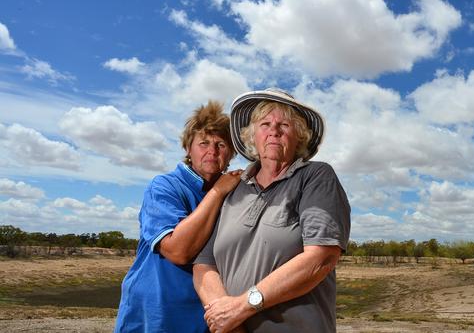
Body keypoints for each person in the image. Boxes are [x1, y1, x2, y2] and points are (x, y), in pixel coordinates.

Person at [193, 89, 351, 333]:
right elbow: (204, 264)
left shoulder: (316, 177)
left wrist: (242, 307)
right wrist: (227, 318)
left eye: (284, 125)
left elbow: (321, 258)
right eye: (265, 124)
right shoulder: (233, 187)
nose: (274, 131)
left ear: (300, 136)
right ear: (251, 136)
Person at [115, 101, 242, 333]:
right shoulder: (164, 186)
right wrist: (218, 191)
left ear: (231, 153)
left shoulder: (235, 193)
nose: (212, 152)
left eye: (221, 144)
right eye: (203, 143)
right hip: (157, 313)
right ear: (188, 148)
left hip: (205, 313)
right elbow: (177, 251)